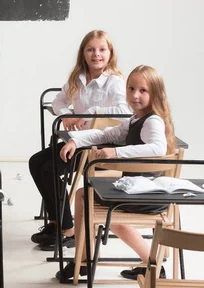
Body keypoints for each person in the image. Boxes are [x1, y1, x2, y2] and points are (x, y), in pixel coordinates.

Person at [56, 65, 174, 281]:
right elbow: (106, 134)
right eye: (131, 89)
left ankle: (84, 261)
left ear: (155, 93)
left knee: (88, 198)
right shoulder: (135, 119)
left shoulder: (153, 120)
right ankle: (150, 263)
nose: (135, 95)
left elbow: (158, 148)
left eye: (143, 90)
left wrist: (116, 151)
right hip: (135, 190)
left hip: (146, 193)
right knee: (86, 196)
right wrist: (76, 140)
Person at [28, 30, 131, 251]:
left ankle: (67, 229)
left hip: (102, 143)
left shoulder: (114, 81)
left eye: (102, 50)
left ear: (110, 53)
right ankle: (56, 222)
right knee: (36, 162)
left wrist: (93, 112)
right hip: (78, 140)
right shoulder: (78, 77)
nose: (96, 55)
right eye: (91, 49)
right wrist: (68, 114)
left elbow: (125, 111)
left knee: (50, 169)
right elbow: (57, 101)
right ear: (83, 53)